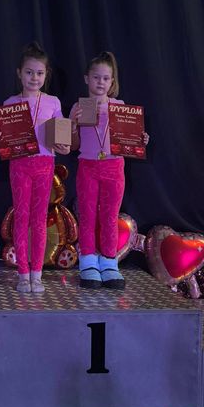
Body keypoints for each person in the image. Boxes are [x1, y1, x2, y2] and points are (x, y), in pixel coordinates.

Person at [0, 42, 70, 294]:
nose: (34, 78)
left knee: (39, 219)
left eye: (39, 73)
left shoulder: (53, 102)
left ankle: (37, 274)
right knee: (22, 218)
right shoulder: (10, 103)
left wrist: (64, 145)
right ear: (19, 73)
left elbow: (62, 137)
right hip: (19, 165)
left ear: (46, 75)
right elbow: (3, 142)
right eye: (29, 72)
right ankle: (23, 273)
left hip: (45, 164)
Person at [69, 51, 149, 290]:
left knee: (110, 217)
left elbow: (129, 140)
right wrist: (72, 125)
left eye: (106, 78)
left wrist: (140, 140)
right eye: (96, 77)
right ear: (87, 79)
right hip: (88, 166)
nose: (101, 82)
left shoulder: (120, 107)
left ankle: (109, 262)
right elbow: (71, 146)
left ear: (112, 81)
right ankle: (88, 262)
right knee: (87, 215)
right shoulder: (79, 107)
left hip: (114, 167)